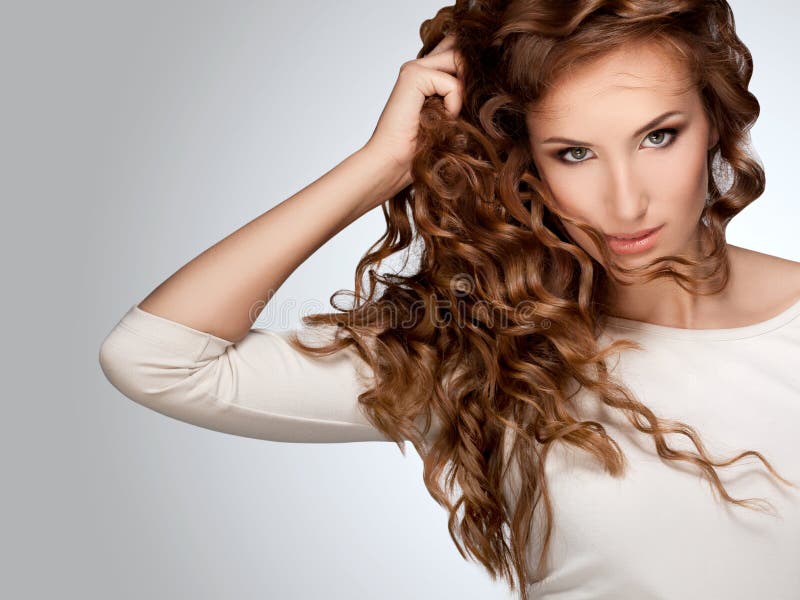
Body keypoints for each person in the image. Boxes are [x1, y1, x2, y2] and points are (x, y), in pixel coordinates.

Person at [98, 1, 800, 598]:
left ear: (715, 122)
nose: (625, 201)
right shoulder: (491, 351)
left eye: (658, 136)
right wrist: (384, 163)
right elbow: (158, 360)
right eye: (574, 153)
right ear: (526, 160)